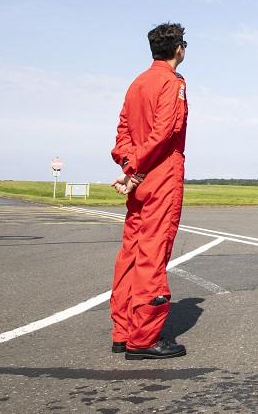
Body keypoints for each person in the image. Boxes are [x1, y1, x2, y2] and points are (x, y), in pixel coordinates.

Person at [109, 22, 189, 360]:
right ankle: (143, 338)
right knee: (152, 254)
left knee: (131, 252)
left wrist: (129, 166)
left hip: (139, 183)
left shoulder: (137, 83)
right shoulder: (173, 83)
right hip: (160, 177)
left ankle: (122, 331)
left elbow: (123, 131)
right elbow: (165, 132)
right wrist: (137, 168)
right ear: (178, 49)